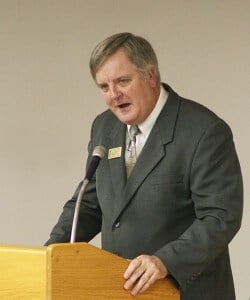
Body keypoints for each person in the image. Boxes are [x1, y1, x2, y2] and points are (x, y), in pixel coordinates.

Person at [45, 32, 243, 299]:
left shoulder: (204, 131)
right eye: (104, 87)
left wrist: (164, 261)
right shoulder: (104, 127)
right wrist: (48, 255)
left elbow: (220, 217)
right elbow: (89, 205)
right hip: (121, 291)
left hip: (185, 292)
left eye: (122, 81)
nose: (114, 95)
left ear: (150, 76)